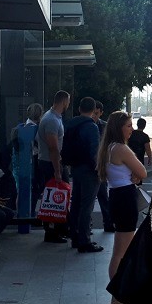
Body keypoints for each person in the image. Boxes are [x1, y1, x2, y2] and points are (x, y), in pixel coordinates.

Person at [96, 111, 147, 304]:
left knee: (121, 249)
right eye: (128, 126)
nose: (131, 129)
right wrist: (136, 175)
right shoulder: (121, 149)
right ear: (119, 128)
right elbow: (141, 171)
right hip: (125, 198)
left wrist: (135, 175)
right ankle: (117, 296)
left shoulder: (108, 147)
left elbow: (136, 174)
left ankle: (119, 294)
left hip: (117, 195)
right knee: (121, 251)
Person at [64, 96, 104, 253]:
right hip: (89, 171)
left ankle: (74, 236)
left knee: (76, 204)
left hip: (75, 169)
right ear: (94, 110)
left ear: (79, 109)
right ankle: (84, 241)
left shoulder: (71, 123)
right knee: (87, 206)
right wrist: (99, 170)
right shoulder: (91, 126)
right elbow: (94, 152)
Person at [37, 90, 71, 243]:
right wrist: (58, 170)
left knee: (57, 198)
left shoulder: (53, 117)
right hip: (51, 164)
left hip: (50, 162)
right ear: (64, 101)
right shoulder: (51, 120)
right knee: (55, 199)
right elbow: (53, 148)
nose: (68, 104)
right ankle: (52, 232)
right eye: (68, 101)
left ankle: (58, 230)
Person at [11, 102, 43, 229]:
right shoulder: (34, 129)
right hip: (30, 162)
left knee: (22, 190)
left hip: (18, 163)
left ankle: (23, 214)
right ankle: (26, 215)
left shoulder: (19, 127)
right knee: (30, 189)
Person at [93, 100, 115, 232]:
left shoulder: (104, 126)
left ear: (101, 113)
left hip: (101, 166)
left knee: (103, 197)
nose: (94, 116)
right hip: (90, 166)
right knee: (88, 200)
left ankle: (108, 222)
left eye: (96, 113)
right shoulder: (87, 124)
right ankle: (87, 224)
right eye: (92, 113)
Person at [127, 117, 152, 184]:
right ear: (144, 126)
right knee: (138, 177)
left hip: (129, 158)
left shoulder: (131, 133)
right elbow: (147, 148)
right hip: (140, 159)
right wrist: (150, 157)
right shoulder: (145, 136)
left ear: (137, 124)